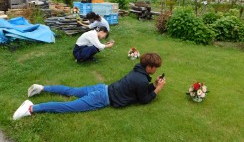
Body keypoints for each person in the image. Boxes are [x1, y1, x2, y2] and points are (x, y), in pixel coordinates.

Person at [13, 53, 166, 120]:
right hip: (102, 97)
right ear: (149, 67)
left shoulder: (137, 71)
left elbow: (140, 89)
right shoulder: (140, 79)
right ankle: (32, 108)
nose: (156, 70)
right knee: (69, 107)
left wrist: (153, 85)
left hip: (102, 88)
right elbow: (144, 99)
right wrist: (157, 90)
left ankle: (42, 88)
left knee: (71, 91)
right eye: (155, 67)